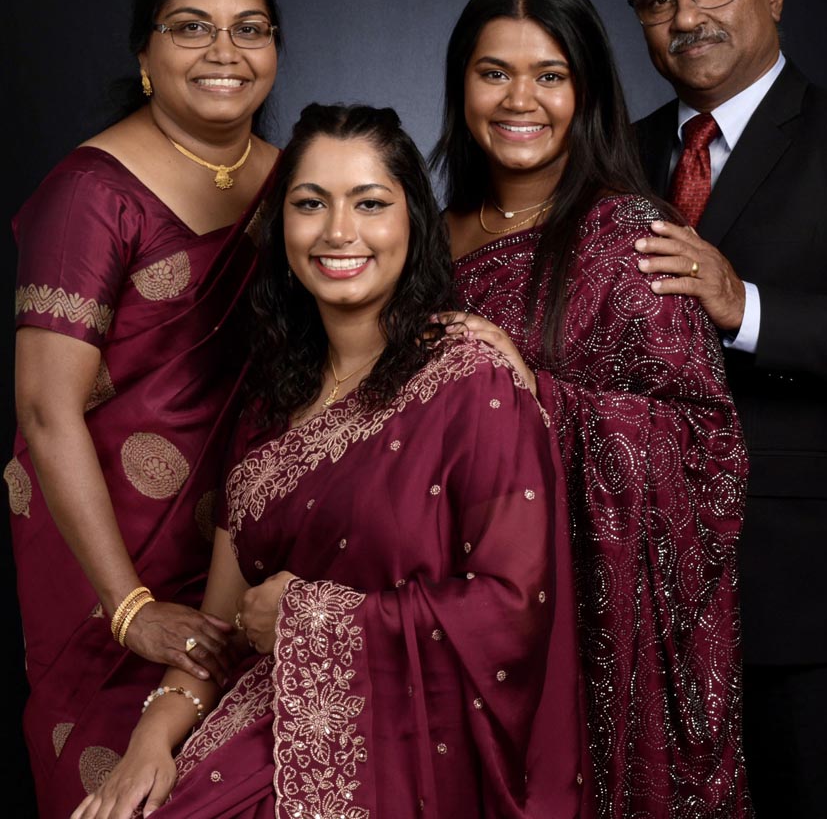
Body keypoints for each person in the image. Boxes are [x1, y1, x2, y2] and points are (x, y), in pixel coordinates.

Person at [71, 102, 586, 819]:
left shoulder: (471, 384)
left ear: (413, 220)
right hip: (262, 723)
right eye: (310, 204)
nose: (339, 232)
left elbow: (511, 614)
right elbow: (219, 634)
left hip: (414, 752)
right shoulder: (266, 402)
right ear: (282, 228)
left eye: (370, 204)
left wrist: (310, 617)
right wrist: (151, 743)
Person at [431, 0, 750, 817]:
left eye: (550, 74)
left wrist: (526, 393)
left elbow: (706, 456)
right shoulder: (419, 240)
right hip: (438, 620)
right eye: (493, 72)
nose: (519, 100)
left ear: (588, 92)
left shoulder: (631, 240)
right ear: (460, 84)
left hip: (582, 636)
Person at [5, 0, 282, 818]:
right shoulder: (94, 191)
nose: (224, 52)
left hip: (259, 555)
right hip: (109, 567)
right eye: (192, 27)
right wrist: (128, 607)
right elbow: (47, 411)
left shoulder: (300, 186)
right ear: (145, 52)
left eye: (250, 27)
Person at [625, 0, 827, 818]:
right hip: (646, 587)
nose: (685, 16)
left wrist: (748, 310)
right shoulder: (623, 155)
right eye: (657, 1)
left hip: (808, 592)